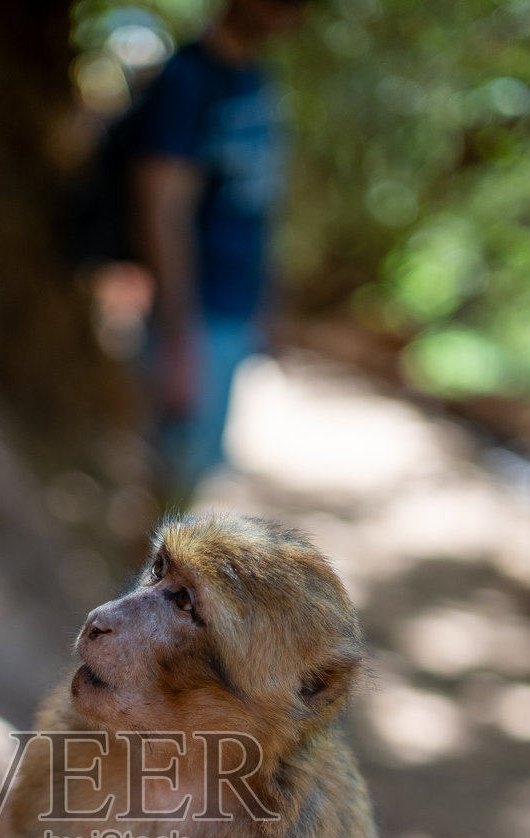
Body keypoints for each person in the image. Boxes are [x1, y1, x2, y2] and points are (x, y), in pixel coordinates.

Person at [131, 0, 312, 494]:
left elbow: (259, 205)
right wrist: (178, 338)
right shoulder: (188, 79)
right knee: (164, 491)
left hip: (232, 315)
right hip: (194, 321)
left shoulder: (256, 80)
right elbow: (163, 208)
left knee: (190, 480)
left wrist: (270, 302)